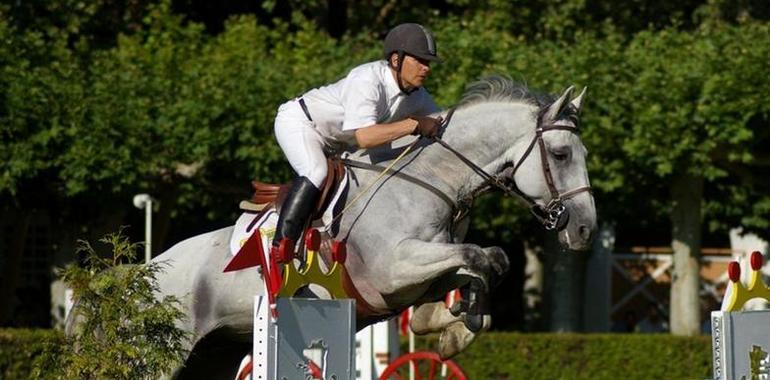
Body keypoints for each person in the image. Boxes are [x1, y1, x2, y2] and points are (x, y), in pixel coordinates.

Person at [270, 23, 444, 252]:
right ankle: (280, 247)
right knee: (316, 171)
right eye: (419, 61)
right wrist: (413, 125)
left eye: (428, 62)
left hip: (338, 143)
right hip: (302, 122)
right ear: (396, 60)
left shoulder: (418, 96)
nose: (426, 68)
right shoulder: (367, 79)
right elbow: (364, 138)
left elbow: (440, 123)